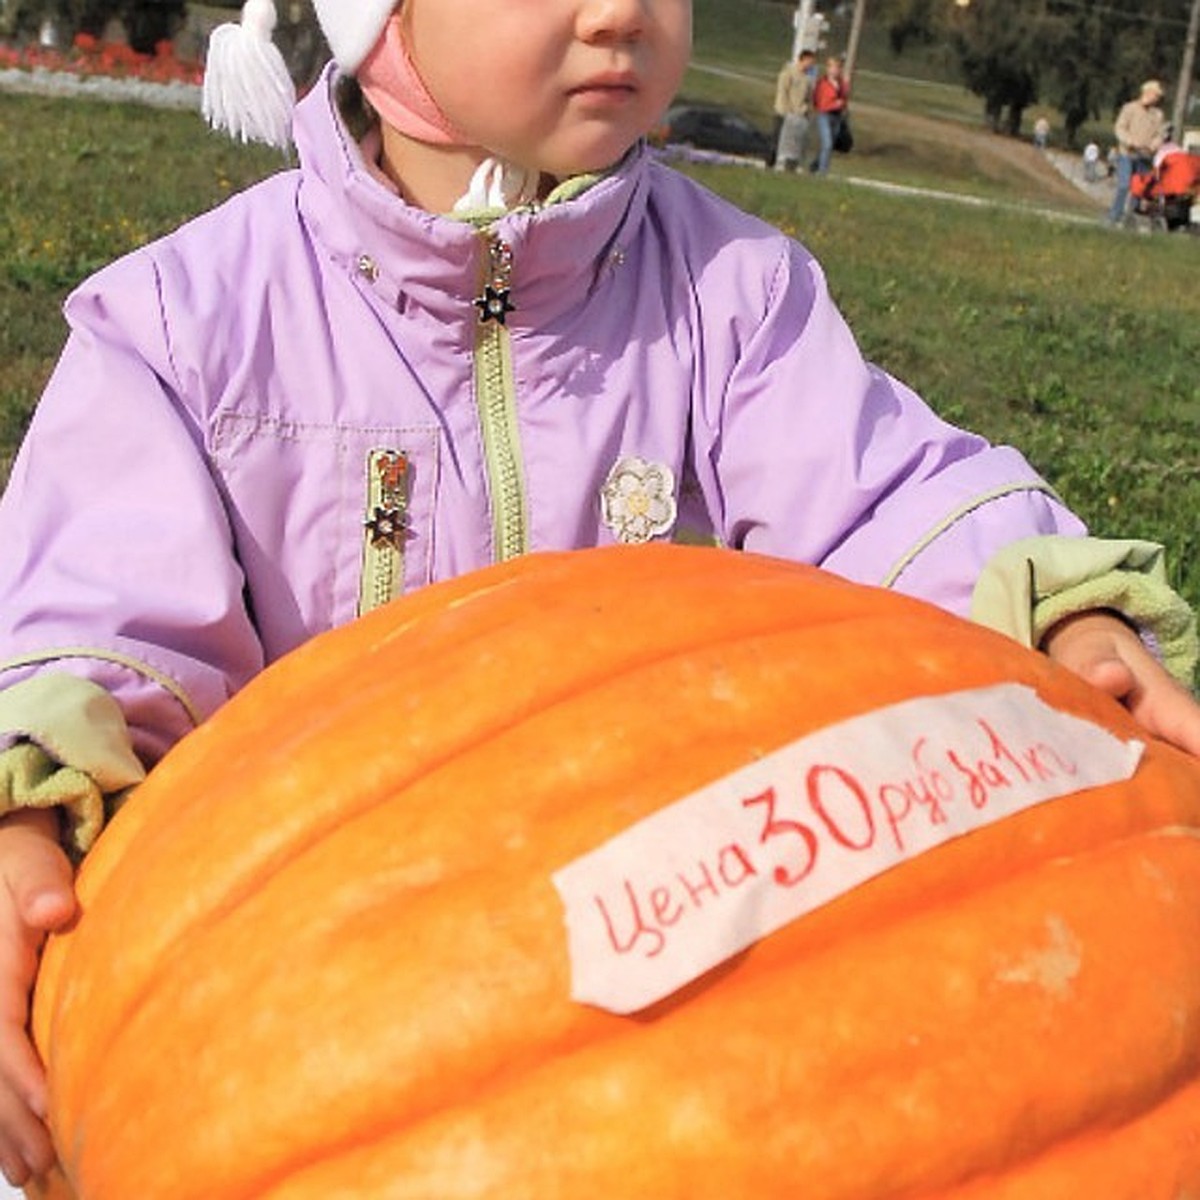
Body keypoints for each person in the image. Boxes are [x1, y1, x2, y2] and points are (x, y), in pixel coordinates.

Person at [2, 0, 1200, 1187]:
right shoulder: (186, 327)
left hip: (649, 969)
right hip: (280, 999)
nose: (626, 11)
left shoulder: (731, 297)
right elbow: (94, 620)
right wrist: (25, 801)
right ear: (379, 20)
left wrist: (1045, 602)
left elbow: (880, 492)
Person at [1108, 78, 1167, 226]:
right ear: (1147, 92)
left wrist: (1154, 145)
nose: (1157, 99)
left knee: (1138, 189)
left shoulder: (1158, 115)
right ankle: (1114, 216)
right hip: (1127, 154)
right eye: (1155, 95)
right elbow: (1120, 128)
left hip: (1145, 156)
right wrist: (1131, 141)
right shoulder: (1130, 108)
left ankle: (1129, 217)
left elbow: (1160, 135)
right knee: (1124, 185)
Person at [773, 47, 815, 173]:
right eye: (810, 61)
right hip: (784, 114)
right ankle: (772, 166)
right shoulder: (788, 73)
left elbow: (808, 98)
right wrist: (786, 111)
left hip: (799, 117)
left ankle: (790, 168)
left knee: (795, 145)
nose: (811, 65)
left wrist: (806, 110)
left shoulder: (807, 79)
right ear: (803, 59)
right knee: (777, 142)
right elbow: (783, 93)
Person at [810, 53, 849, 175]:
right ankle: (822, 171)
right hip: (825, 115)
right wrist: (834, 104)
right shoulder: (823, 83)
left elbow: (844, 98)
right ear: (828, 68)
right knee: (826, 143)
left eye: (838, 67)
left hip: (836, 116)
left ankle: (815, 165)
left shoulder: (841, 83)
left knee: (829, 145)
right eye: (833, 67)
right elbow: (819, 100)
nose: (835, 70)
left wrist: (842, 105)